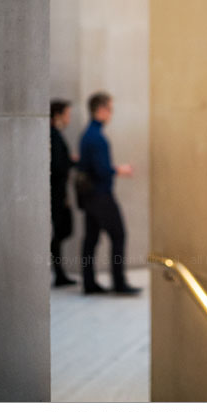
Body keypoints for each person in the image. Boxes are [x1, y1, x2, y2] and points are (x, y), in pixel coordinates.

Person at [79, 92, 141, 295]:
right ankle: (119, 283)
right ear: (101, 110)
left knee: (91, 239)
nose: (111, 114)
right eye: (110, 109)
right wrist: (120, 170)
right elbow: (101, 170)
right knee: (118, 236)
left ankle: (89, 283)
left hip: (91, 197)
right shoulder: (97, 138)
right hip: (101, 196)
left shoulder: (88, 134)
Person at [50, 99, 77, 287]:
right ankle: (59, 273)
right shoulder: (53, 135)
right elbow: (58, 166)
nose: (69, 118)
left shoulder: (55, 135)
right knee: (61, 231)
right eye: (67, 114)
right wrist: (70, 161)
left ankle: (59, 273)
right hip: (56, 193)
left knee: (62, 232)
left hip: (58, 192)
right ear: (58, 115)